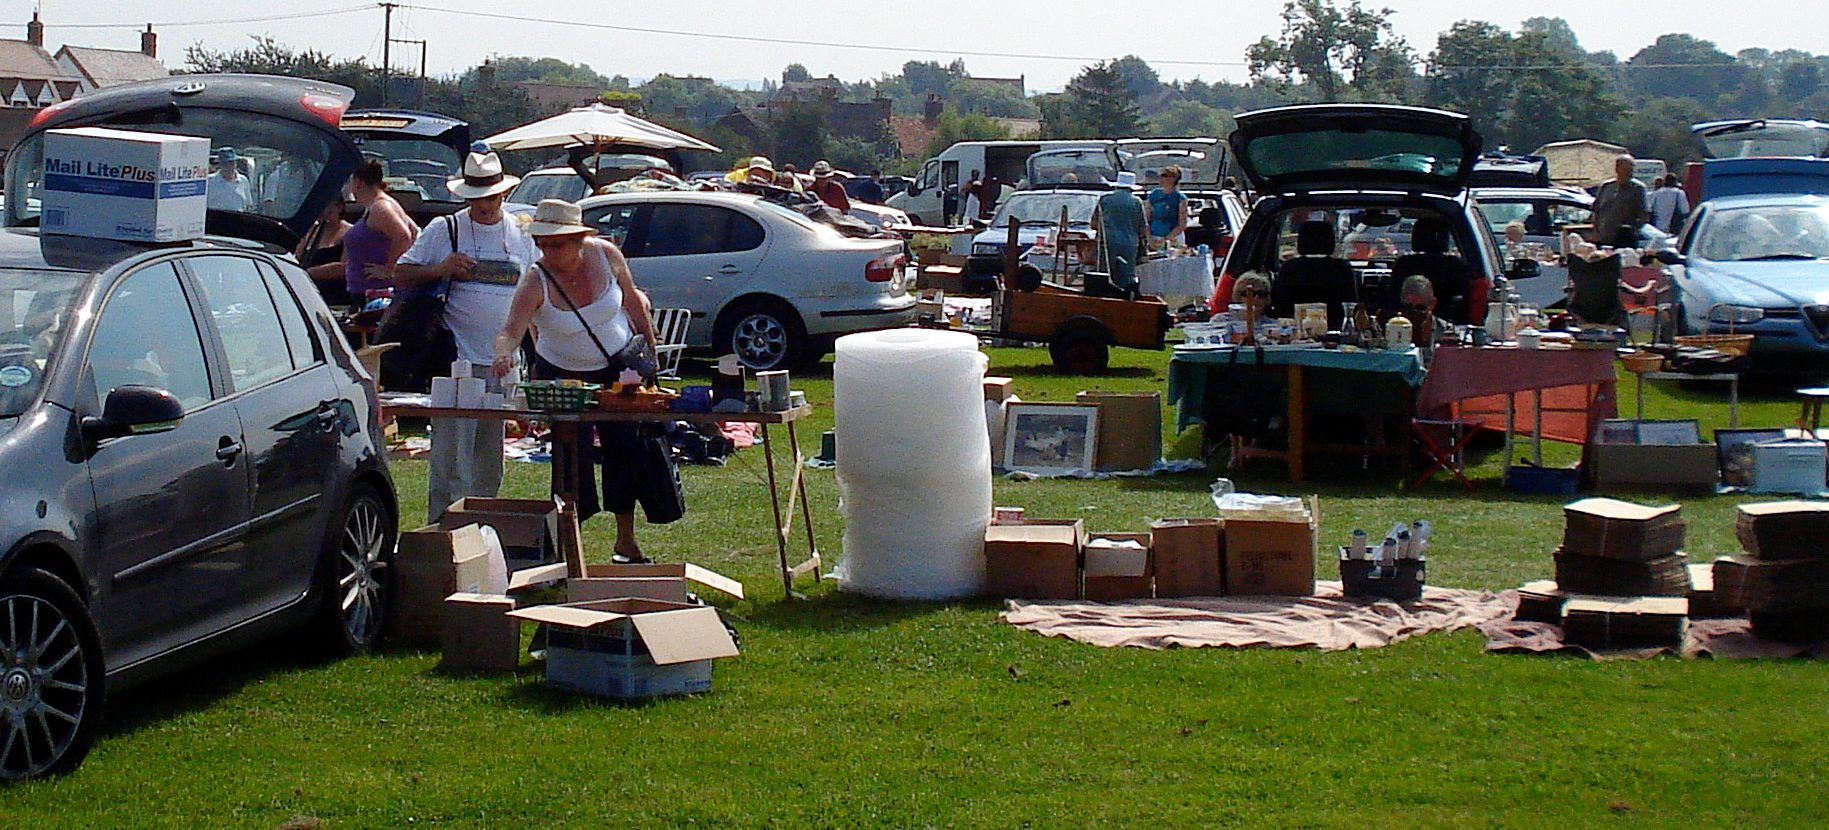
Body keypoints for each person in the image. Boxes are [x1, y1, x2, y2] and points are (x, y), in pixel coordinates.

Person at [492, 199, 660, 562]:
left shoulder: (607, 255)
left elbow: (633, 302)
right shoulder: (536, 278)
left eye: (558, 243)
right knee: (571, 460)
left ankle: (625, 541)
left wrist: (650, 351)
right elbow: (511, 329)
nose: (549, 251)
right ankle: (570, 547)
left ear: (579, 238)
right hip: (562, 376)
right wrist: (503, 354)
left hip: (618, 369)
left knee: (625, 450)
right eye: (544, 244)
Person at [396, 148, 536, 523]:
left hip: (502, 362)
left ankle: (480, 529)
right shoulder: (446, 228)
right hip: (455, 357)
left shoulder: (520, 233)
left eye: (490, 197)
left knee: (489, 458)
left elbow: (536, 289)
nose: (485, 205)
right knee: (450, 457)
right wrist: (440, 268)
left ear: (502, 194)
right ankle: (443, 531)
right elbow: (402, 273)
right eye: (477, 198)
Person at [339, 158, 418, 302]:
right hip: (369, 291)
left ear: (359, 182)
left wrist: (389, 269)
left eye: (351, 182)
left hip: (375, 294)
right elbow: (414, 231)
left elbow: (405, 236)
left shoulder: (380, 208)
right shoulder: (379, 205)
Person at [1096, 171, 1148, 297]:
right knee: (1126, 278)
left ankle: (1103, 300)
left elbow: (1094, 223)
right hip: (1129, 244)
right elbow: (1143, 228)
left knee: (1104, 275)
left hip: (1107, 242)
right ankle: (1124, 301)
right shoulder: (1136, 202)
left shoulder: (1105, 199)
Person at [297, 199, 352, 306]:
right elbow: (298, 258)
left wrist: (309, 273)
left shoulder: (350, 233)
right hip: (309, 291)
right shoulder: (313, 232)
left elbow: (344, 267)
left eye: (329, 208)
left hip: (335, 295)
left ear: (339, 207)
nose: (324, 212)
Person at [1591, 154, 1649, 249]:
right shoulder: (1606, 186)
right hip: (1604, 238)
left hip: (1625, 240)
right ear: (1617, 169)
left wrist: (1633, 230)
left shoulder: (1638, 189)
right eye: (1626, 170)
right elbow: (1596, 211)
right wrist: (1595, 231)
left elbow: (1644, 215)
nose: (1630, 173)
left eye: (1631, 170)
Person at [1145, 165, 1190, 249]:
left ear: (1174, 179)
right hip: (1153, 238)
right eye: (1161, 175)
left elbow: (1182, 224)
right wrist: (1149, 238)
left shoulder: (1180, 198)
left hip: (1173, 239)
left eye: (1165, 176)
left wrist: (1166, 239)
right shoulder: (1154, 195)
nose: (1161, 178)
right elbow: (1146, 219)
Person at [206, 147, 252, 212]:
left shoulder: (243, 181)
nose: (229, 167)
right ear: (220, 164)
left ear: (236, 163)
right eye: (225, 164)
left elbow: (248, 205)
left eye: (231, 163)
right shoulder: (209, 181)